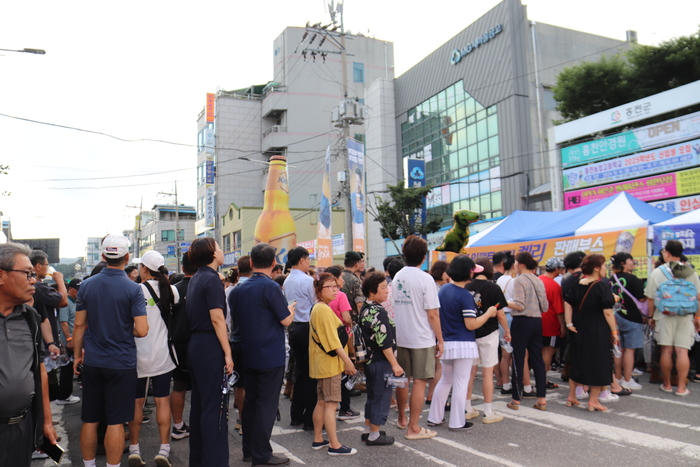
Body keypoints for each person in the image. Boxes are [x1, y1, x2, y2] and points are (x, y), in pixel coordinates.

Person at [73, 235, 149, 467]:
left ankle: (88, 465)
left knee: (90, 419)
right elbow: (143, 330)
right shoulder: (133, 288)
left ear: (104, 256)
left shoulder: (86, 285)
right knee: (116, 422)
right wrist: (128, 330)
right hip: (122, 363)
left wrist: (77, 355)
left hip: (94, 362)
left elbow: (78, 325)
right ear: (127, 258)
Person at [229, 243, 294, 466]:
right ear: (274, 263)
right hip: (269, 354)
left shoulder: (237, 289)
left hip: (245, 352)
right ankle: (261, 454)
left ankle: (249, 450)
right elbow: (285, 320)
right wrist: (291, 311)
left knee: (250, 401)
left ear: (252, 263)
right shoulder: (271, 287)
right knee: (266, 404)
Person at [0, 242, 57, 467]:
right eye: (27, 274)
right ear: (1, 275)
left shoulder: (30, 317)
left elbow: (39, 370)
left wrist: (46, 422)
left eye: (33, 274)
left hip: (22, 428)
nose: (33, 280)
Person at [427, 255, 497, 431]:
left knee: (445, 380)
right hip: (463, 344)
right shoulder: (465, 295)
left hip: (447, 342)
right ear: (467, 273)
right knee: (460, 382)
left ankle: (435, 417)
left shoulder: (443, 290)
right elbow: (471, 324)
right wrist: (488, 313)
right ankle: (457, 421)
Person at [185, 237, 232, 467]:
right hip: (210, 345)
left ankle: (200, 460)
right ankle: (215, 462)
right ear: (213, 254)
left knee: (201, 406)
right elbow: (217, 318)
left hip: (196, 345)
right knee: (215, 407)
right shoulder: (211, 280)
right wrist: (228, 352)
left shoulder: (196, 278)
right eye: (219, 248)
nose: (222, 251)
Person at [128, 251, 178, 467]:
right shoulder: (172, 290)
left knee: (137, 403)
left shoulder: (135, 290)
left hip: (138, 356)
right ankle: (164, 449)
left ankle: (134, 448)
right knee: (162, 402)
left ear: (145, 269)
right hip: (163, 356)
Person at [392, 235, 443, 440]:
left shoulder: (397, 277)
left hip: (400, 337)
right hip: (421, 338)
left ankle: (402, 418)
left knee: (402, 380)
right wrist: (440, 339)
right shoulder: (425, 278)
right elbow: (432, 313)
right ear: (423, 257)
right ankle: (413, 428)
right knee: (419, 382)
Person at [309, 272, 357, 456]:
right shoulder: (324, 310)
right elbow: (333, 341)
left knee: (321, 402)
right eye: (330, 286)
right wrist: (348, 362)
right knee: (330, 404)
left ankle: (318, 438)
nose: (335, 290)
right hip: (329, 364)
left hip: (321, 362)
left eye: (336, 286)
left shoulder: (319, 307)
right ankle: (334, 445)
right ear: (319, 290)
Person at [645, 240, 700, 396]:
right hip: (686, 315)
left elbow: (650, 298)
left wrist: (650, 317)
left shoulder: (657, 272)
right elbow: (698, 297)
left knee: (666, 351)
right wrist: (697, 317)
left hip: (664, 315)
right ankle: (682, 387)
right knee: (683, 351)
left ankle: (667, 384)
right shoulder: (691, 272)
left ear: (667, 253)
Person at [564, 254, 618, 411]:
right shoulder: (600, 286)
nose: (605, 268)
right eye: (604, 266)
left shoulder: (578, 283)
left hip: (579, 326)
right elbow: (608, 312)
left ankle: (572, 396)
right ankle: (593, 400)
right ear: (596, 268)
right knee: (598, 362)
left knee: (578, 360)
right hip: (597, 328)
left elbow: (567, 303)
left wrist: (568, 323)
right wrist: (614, 331)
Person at [359, 271, 402, 446]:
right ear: (372, 292)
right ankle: (375, 435)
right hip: (381, 360)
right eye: (383, 288)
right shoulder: (379, 312)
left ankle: (369, 429)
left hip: (370, 360)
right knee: (382, 396)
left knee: (373, 395)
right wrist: (395, 364)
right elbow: (384, 343)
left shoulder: (366, 308)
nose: (386, 291)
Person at [465, 256, 508, 424]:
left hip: (470, 333)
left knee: (470, 372)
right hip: (489, 333)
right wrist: (508, 331)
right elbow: (501, 313)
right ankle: (488, 412)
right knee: (488, 373)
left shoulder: (466, 286)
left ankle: (467, 408)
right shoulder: (493, 288)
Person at [507, 252, 548, 411]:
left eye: (516, 263)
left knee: (518, 358)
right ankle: (542, 399)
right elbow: (545, 306)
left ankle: (516, 399)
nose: (514, 265)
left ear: (521, 264)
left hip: (522, 321)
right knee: (537, 358)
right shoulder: (539, 280)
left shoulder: (519, 280)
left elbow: (519, 304)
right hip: (537, 321)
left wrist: (503, 302)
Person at [283, 246, 317, 431]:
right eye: (308, 259)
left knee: (299, 373)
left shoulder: (287, 280)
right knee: (311, 375)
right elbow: (315, 304)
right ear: (302, 260)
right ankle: (310, 419)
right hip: (307, 328)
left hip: (293, 327)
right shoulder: (307, 280)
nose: (309, 262)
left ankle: (296, 415)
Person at [325, 265, 361, 420]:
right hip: (341, 337)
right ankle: (344, 408)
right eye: (340, 277)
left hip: (327, 339)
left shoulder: (323, 298)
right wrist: (349, 326)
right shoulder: (340, 296)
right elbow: (346, 318)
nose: (342, 280)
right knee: (345, 372)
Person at [610, 252, 646, 391]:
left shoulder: (611, 278)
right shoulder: (633, 279)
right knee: (630, 350)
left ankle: (617, 377)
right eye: (630, 260)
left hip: (616, 316)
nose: (633, 262)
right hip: (632, 317)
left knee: (619, 349)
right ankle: (628, 379)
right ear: (623, 263)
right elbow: (642, 298)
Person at [170, 253, 195, 441]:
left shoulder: (173, 290)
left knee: (178, 386)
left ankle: (178, 426)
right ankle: (200, 423)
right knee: (201, 387)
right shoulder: (204, 288)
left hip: (177, 345)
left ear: (183, 267)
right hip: (201, 344)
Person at [539, 257, 566, 390]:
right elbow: (559, 309)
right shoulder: (554, 286)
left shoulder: (538, 280)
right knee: (548, 351)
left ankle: (534, 379)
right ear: (557, 269)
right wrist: (562, 326)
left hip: (535, 320)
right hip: (549, 322)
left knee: (536, 351)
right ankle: (542, 380)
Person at [426, 260, 449, 406]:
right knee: (438, 366)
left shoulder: (433, 285)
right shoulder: (438, 289)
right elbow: (435, 313)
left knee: (434, 366)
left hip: (428, 330)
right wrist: (440, 338)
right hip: (434, 330)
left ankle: (431, 394)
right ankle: (433, 395)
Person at [57, 278, 82, 405]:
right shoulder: (66, 303)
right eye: (77, 290)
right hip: (69, 341)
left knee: (72, 367)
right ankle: (64, 396)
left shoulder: (77, 302)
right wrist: (69, 339)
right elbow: (63, 322)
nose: (79, 292)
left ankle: (66, 394)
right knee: (66, 369)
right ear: (70, 289)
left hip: (76, 340)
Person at [341, 251, 366, 323]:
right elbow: (359, 304)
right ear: (356, 264)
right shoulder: (355, 280)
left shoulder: (338, 276)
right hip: (352, 320)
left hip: (338, 318)